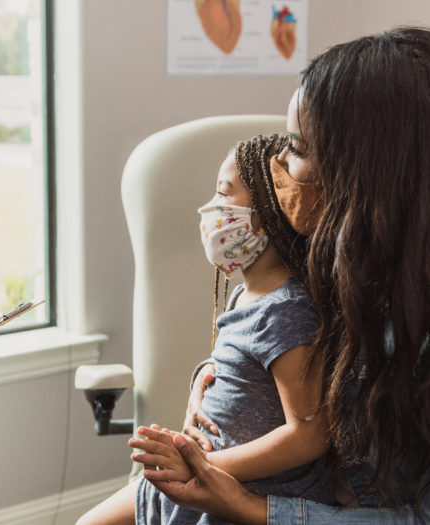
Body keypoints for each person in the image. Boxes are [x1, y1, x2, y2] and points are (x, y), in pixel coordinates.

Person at [138, 26, 430, 524]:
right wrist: (208, 382)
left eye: (295, 149)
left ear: (364, 170)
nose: (279, 170)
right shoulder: (345, 271)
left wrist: (249, 506)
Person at [77, 133, 330, 525]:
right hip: (200, 473)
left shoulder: (286, 311)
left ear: (265, 215)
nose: (211, 210)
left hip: (239, 489)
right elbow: (246, 369)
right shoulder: (246, 296)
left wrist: (201, 465)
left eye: (224, 195)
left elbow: (309, 433)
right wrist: (205, 376)